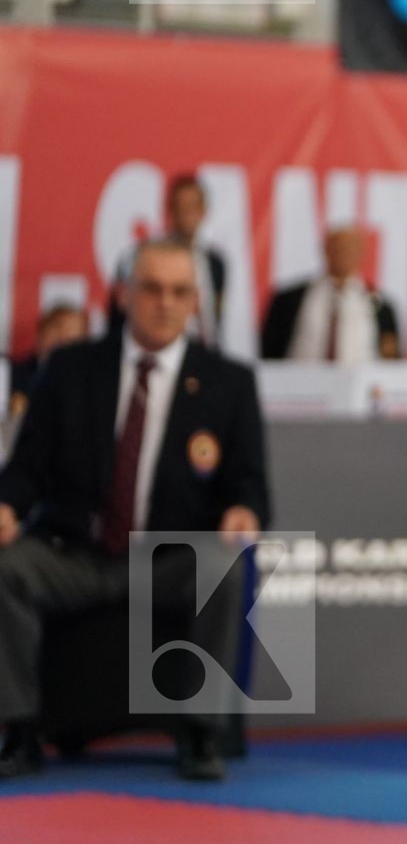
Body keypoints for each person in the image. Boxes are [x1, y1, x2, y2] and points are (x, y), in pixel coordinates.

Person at [0, 239, 270, 783]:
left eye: (179, 291)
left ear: (196, 301)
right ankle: (19, 729)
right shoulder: (72, 368)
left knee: (224, 569)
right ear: (123, 294)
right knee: (7, 569)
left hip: (169, 559)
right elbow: (30, 463)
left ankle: (200, 733)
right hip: (74, 550)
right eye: (151, 289)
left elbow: (249, 479)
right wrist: (7, 505)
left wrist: (244, 509)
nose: (165, 303)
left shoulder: (228, 382)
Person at [110, 174, 228, 347]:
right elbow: (117, 317)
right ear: (170, 209)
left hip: (202, 355)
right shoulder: (140, 257)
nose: (187, 213)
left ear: (204, 211)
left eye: (193, 206)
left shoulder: (216, 263)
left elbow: (215, 320)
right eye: (181, 206)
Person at [260, 228, 402, 362]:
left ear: (361, 254)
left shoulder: (381, 305)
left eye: (349, 249)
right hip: (299, 383)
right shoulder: (288, 299)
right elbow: (269, 352)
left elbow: (393, 356)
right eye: (337, 248)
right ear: (325, 249)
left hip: (359, 384)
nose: (342, 254)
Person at [8, 305, 90, 429]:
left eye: (74, 333)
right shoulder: (10, 375)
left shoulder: (89, 386)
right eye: (58, 327)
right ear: (41, 332)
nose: (64, 337)